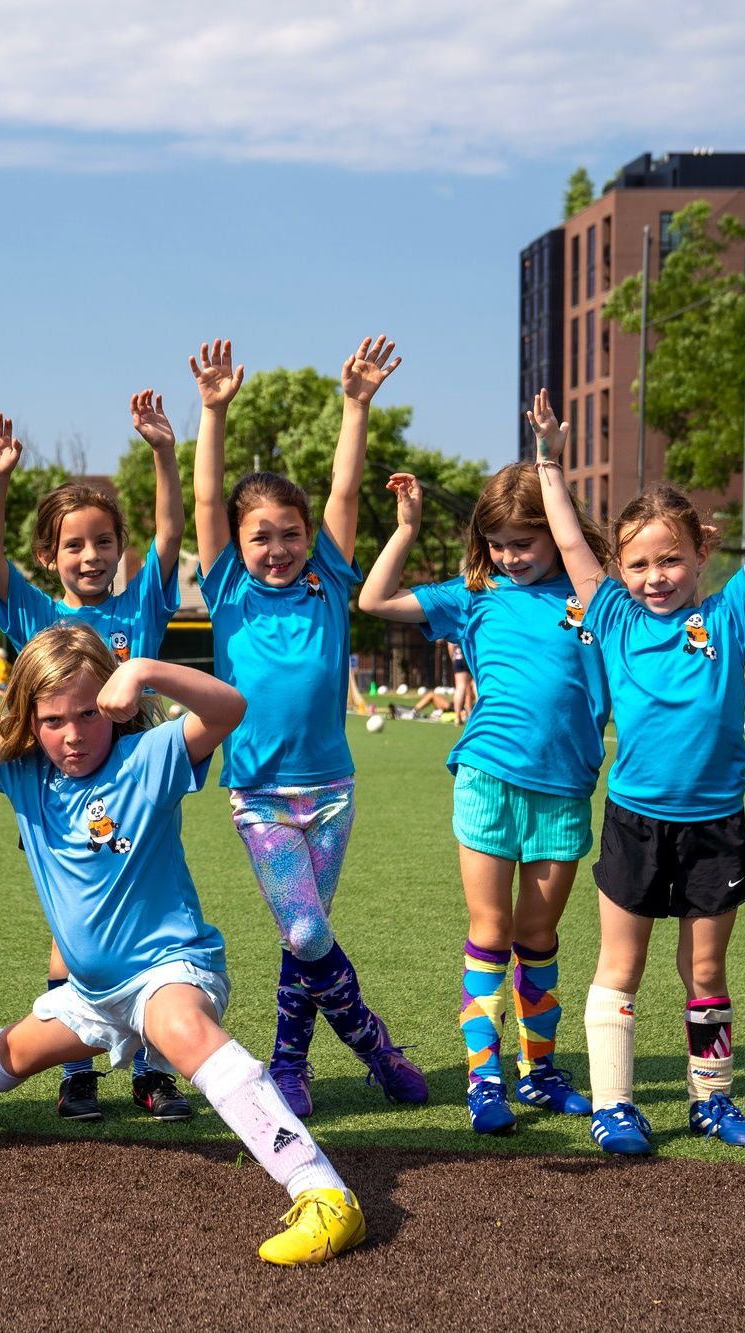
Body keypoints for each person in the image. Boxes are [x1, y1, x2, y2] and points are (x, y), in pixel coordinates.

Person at [0, 623, 366, 1266]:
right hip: (93, 995)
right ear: (28, 719)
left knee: (179, 1028)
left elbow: (229, 708)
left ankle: (323, 1193)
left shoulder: (150, 757)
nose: (72, 735)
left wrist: (146, 670)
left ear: (113, 703)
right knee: (14, 1055)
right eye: (51, 720)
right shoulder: (22, 769)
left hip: (170, 967)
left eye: (86, 713)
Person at [531, 382, 745, 1155]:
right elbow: (571, 543)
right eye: (638, 562)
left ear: (702, 553)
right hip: (635, 821)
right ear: (621, 570)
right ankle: (615, 1105)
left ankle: (712, 1099)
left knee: (705, 966)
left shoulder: (730, 616)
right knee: (622, 965)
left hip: (714, 825)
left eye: (670, 557)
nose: (655, 574)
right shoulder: (611, 616)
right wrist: (548, 459)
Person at [191, 335, 426, 1117]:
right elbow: (203, 501)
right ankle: (371, 1042)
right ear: (238, 542)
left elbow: (347, 492)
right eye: (261, 535)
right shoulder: (228, 587)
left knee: (307, 936)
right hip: (259, 795)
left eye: (290, 533)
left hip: (332, 791)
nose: (279, 547)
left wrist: (356, 406)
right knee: (304, 929)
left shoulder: (327, 579)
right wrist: (212, 412)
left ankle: (289, 1063)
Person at [360, 465, 614, 1136]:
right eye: (497, 542)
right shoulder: (475, 594)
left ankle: (540, 1072)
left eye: (523, 542)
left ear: (555, 535)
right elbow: (374, 600)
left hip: (564, 790)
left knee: (538, 934)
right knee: (491, 931)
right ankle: (484, 1079)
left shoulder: (595, 598)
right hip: (486, 778)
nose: (509, 556)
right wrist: (408, 529)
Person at [0, 395, 192, 1122]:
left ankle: (155, 1070)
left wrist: (164, 452)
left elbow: (172, 529)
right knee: (70, 937)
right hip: (58, 791)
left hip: (137, 788)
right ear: (49, 556)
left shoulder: (140, 608)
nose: (90, 556)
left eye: (103, 542)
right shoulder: (37, 614)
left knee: (156, 924)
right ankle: (78, 1069)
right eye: (74, 545)